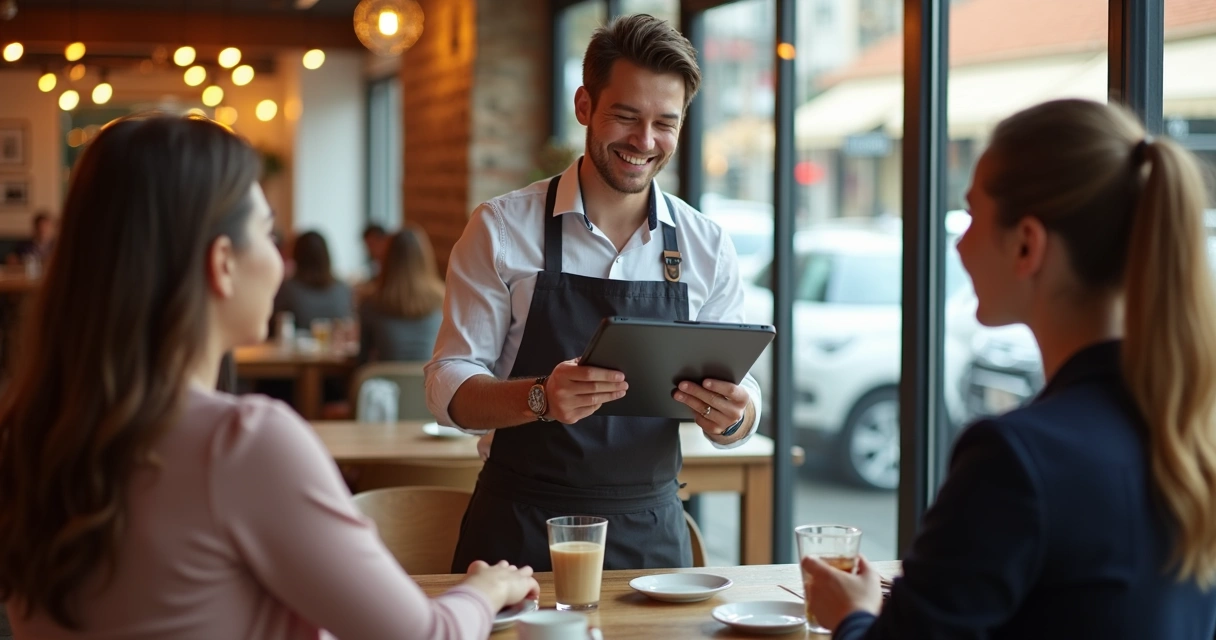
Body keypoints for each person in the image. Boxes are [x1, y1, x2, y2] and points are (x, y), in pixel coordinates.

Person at [0, 115, 538, 639]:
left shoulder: (27, 431)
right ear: (223, 262)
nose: (280, 261)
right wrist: (486, 589)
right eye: (267, 233)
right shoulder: (240, 445)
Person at [803, 99, 1216, 638]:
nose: (959, 243)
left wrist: (852, 616)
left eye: (972, 215)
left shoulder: (1016, 462)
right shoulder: (1191, 438)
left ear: (1027, 244)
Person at [425, 13, 763, 573]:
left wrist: (735, 415)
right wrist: (540, 397)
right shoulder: (502, 229)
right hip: (519, 533)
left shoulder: (707, 245)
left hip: (651, 539)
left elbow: (740, 393)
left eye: (665, 123)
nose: (645, 141)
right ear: (584, 106)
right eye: (626, 116)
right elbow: (447, 386)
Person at [359, 226, 445, 363]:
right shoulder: (443, 301)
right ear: (425, 259)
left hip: (385, 382)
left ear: (386, 261)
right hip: (428, 382)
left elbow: (362, 359)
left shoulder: (371, 305)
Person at [273, 230, 354, 333]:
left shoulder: (287, 290)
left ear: (297, 255)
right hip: (336, 347)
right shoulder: (343, 289)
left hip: (294, 349)